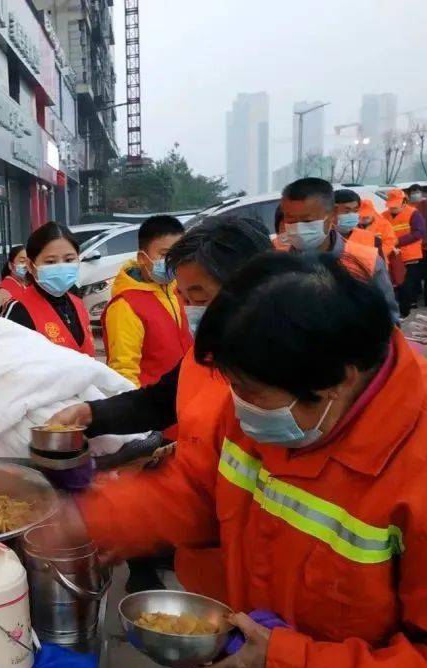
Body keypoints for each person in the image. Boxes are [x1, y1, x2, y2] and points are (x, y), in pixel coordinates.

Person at [77, 252, 427, 668]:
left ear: (339, 380)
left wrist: (290, 665)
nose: (237, 406)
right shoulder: (261, 400)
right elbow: (197, 489)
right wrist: (91, 518)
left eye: (249, 392)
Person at [50, 215, 273, 596]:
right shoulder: (211, 352)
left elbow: (211, 497)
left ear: (252, 288)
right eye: (185, 298)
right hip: (212, 574)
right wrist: (93, 414)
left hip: (260, 576)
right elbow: (161, 399)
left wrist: (113, 517)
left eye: (199, 298)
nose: (191, 310)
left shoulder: (284, 382)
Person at [280, 177, 400, 323]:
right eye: (291, 220)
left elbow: (389, 319)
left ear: (331, 216)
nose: (298, 227)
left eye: (307, 220)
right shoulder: (276, 264)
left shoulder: (366, 261)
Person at [101, 215, 191, 387]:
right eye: (165, 254)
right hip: (151, 406)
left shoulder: (180, 291)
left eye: (178, 254)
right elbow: (124, 372)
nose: (173, 261)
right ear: (142, 258)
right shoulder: (126, 306)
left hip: (185, 400)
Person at [2, 221, 94, 356]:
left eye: (69, 260)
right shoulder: (18, 310)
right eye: (50, 262)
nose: (61, 267)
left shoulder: (78, 303)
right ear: (31, 265)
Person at [383, 187, 427, 316]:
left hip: (410, 256)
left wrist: (396, 241)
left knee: (406, 286)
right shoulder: (383, 216)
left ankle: (404, 312)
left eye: (395, 205)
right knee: (394, 285)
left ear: (404, 202)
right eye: (390, 206)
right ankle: (397, 311)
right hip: (392, 255)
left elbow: (419, 233)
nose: (392, 208)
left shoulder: (414, 213)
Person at [0, 244, 28, 313]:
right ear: (10, 265)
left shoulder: (24, 286)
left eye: (29, 262)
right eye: (22, 261)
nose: (26, 266)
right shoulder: (2, 294)